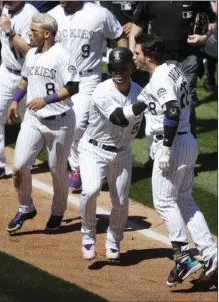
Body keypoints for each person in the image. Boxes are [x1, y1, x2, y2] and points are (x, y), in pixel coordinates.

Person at [130, 32, 217, 286]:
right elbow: (142, 103)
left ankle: (183, 257)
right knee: (184, 199)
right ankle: (211, 253)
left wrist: (166, 148)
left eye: (137, 53)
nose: (134, 57)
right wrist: (117, 114)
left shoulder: (159, 79)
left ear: (149, 56)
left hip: (172, 143)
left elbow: (171, 109)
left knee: (165, 202)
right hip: (187, 141)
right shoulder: (171, 70)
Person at [6, 13, 79, 234]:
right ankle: (25, 207)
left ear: (46, 34)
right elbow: (25, 79)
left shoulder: (62, 56)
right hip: (33, 119)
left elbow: (73, 87)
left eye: (34, 31)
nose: (29, 34)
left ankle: (57, 212)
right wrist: (15, 100)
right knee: (19, 166)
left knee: (57, 170)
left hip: (61, 122)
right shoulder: (31, 54)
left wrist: (45, 100)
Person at [48, 1, 128, 192]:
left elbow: (119, 35)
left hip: (87, 78)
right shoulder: (52, 15)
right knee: (63, 125)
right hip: (60, 79)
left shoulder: (99, 14)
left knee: (77, 124)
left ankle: (81, 169)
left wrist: (122, 61)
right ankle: (78, 166)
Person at [79, 47, 143, 260]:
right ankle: (88, 233)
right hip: (93, 149)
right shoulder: (101, 91)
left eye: (123, 68)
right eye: (113, 67)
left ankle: (114, 240)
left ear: (132, 68)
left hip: (122, 153)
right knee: (91, 189)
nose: (118, 72)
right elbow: (119, 118)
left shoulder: (139, 91)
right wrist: (147, 101)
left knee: (121, 202)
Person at [129, 1, 215, 142]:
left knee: (187, 100)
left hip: (187, 57)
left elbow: (211, 20)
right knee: (158, 100)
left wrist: (204, 37)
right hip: (158, 59)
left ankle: (188, 142)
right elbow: (137, 26)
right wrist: (132, 53)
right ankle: (158, 147)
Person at [0, 1, 39, 180]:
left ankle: (25, 162)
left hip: (27, 75)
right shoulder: (5, 7)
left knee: (29, 121)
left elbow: (31, 51)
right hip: (6, 71)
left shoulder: (31, 15)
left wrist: (9, 31)